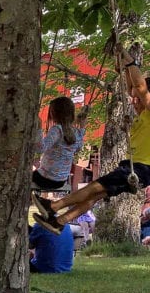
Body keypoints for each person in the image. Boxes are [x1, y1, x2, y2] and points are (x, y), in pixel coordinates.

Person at [33, 43, 150, 234]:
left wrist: (129, 61)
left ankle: (53, 206)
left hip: (142, 167)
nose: (133, 101)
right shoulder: (143, 115)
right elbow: (132, 87)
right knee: (96, 194)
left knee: (97, 185)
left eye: (137, 99)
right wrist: (123, 57)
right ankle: (59, 221)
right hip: (135, 166)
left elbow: (139, 86)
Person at [33, 96, 86, 190]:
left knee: (22, 175)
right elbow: (79, 147)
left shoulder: (57, 130)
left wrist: (39, 128)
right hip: (62, 181)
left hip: (45, 179)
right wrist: (82, 126)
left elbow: (40, 148)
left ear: (54, 114)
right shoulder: (77, 132)